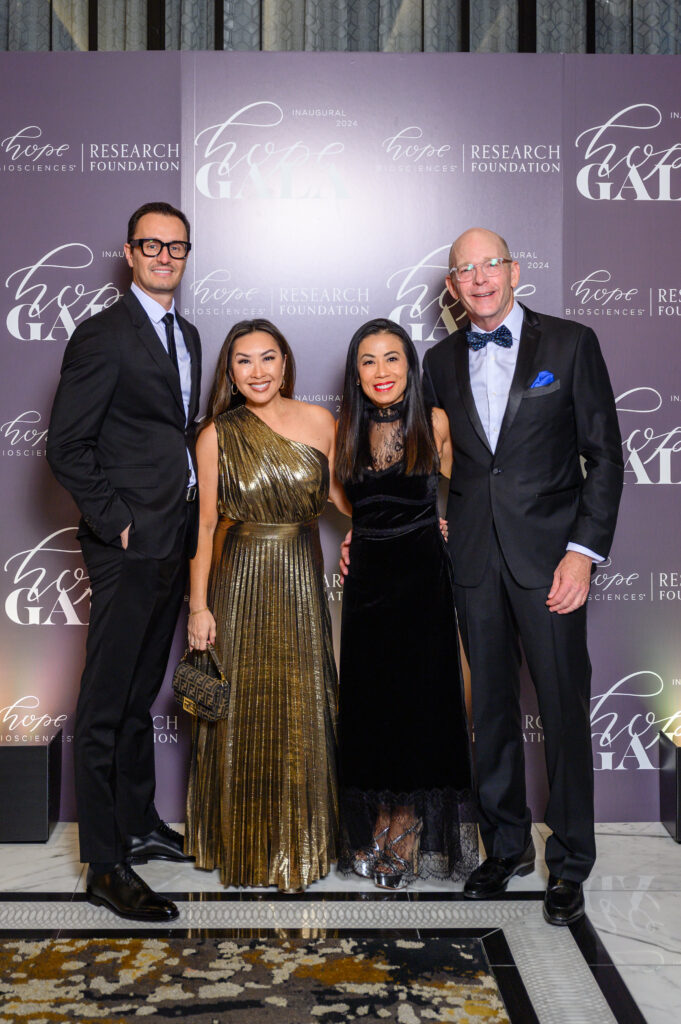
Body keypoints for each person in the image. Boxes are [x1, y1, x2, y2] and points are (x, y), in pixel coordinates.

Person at [421, 227, 623, 924]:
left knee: (563, 711)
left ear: (513, 270)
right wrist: (435, 523)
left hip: (551, 563)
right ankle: (504, 847)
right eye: (463, 270)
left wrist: (581, 552)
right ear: (450, 287)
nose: (478, 278)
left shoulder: (569, 343)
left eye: (489, 264)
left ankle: (568, 863)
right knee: (492, 714)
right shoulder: (440, 360)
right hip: (474, 560)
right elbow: (439, 458)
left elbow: (604, 458)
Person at [47, 201, 201, 922]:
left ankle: (139, 822)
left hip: (176, 538)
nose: (165, 256)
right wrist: (118, 524)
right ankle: (105, 864)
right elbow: (66, 446)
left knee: (140, 691)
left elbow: (169, 434)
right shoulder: (102, 336)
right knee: (106, 704)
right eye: (152, 245)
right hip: (128, 546)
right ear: (130, 252)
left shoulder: (188, 335)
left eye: (177, 246)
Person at [185, 318, 350, 893]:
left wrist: (385, 526)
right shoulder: (216, 434)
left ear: (285, 362)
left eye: (268, 358)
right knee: (238, 707)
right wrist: (198, 607)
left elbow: (339, 497)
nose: (258, 372)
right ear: (229, 371)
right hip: (238, 581)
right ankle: (238, 842)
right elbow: (204, 527)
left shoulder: (320, 421)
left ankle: (303, 842)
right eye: (244, 361)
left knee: (304, 700)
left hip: (301, 580)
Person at [335, 318, 476, 890]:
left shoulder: (434, 421)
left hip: (424, 581)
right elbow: (346, 499)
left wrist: (442, 524)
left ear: (410, 366)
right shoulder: (344, 428)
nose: (381, 371)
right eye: (368, 361)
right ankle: (385, 819)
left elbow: (471, 488)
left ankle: (406, 825)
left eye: (392, 358)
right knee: (375, 709)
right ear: (356, 372)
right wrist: (359, 532)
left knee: (422, 707)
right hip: (369, 583)